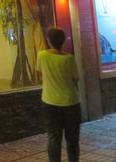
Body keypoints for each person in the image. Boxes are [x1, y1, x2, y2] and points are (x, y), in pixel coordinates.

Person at [36, 27, 81, 162]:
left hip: (50, 103)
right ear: (63, 41)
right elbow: (75, 79)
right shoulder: (69, 59)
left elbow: (39, 74)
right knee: (72, 139)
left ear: (48, 40)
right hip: (71, 103)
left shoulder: (42, 55)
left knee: (54, 139)